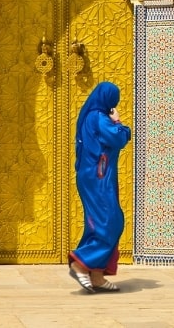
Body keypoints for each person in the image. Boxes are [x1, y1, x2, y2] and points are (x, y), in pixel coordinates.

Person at [68, 81, 131, 294]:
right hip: (98, 177)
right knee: (111, 221)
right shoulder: (99, 117)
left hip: (94, 176)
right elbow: (118, 137)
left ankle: (97, 275)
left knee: (100, 223)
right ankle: (81, 262)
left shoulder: (90, 116)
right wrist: (119, 122)